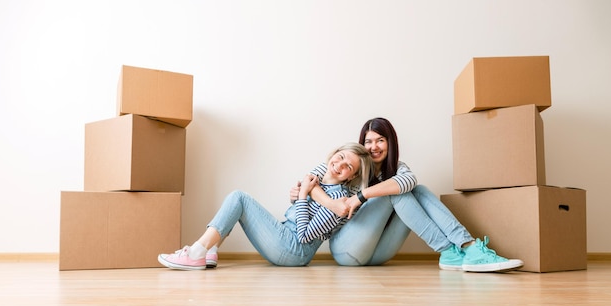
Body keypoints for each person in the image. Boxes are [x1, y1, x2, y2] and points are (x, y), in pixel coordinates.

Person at [301, 117, 523, 272]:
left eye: (380, 140)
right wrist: (303, 193)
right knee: (396, 193)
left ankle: (465, 248)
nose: (373, 147)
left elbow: (409, 180)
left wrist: (361, 196)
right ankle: (452, 250)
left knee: (414, 189)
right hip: (345, 249)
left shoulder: (398, 169)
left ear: (390, 143)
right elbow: (307, 181)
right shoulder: (349, 166)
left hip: (377, 253)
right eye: (368, 141)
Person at [158, 142, 373, 270]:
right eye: (341, 156)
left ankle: (197, 253)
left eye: (348, 167)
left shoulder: (340, 199)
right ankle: (210, 251)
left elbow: (305, 235)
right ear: (334, 153)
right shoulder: (318, 178)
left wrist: (303, 195)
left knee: (239, 198)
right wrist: (298, 197)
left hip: (295, 250)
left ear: (352, 176)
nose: (340, 165)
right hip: (287, 238)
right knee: (239, 204)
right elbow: (301, 209)